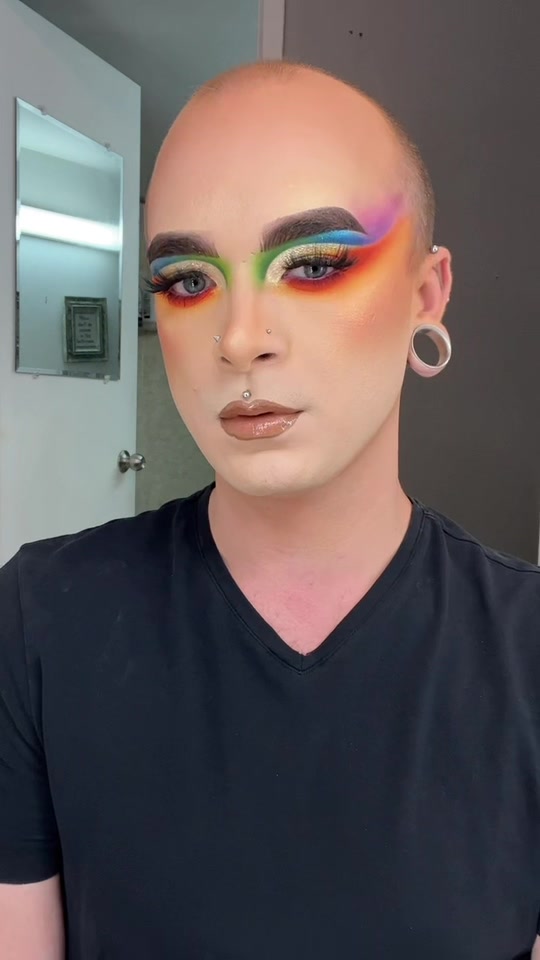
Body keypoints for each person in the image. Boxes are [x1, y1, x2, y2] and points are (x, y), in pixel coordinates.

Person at [1, 59, 539, 960]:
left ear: (427, 293)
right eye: (187, 280)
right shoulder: (40, 621)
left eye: (313, 265)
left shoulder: (524, 654)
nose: (240, 338)